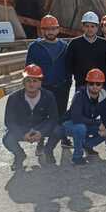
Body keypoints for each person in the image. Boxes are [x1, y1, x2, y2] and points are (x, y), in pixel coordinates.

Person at [3, 65, 64, 170]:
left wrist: (41, 132)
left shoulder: (49, 96)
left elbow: (53, 118)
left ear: (40, 83)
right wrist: (23, 133)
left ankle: (48, 151)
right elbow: (9, 121)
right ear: (23, 82)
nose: (31, 84)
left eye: (35, 81)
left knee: (59, 130)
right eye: (28, 81)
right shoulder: (13, 98)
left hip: (41, 127)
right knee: (7, 139)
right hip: (23, 127)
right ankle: (19, 155)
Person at [26, 14, 72, 148]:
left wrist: (67, 81)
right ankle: (40, 141)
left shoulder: (64, 46)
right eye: (47, 29)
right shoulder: (35, 47)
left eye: (53, 29)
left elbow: (69, 65)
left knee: (61, 113)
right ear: (42, 30)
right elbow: (29, 68)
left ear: (58, 30)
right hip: (43, 87)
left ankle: (63, 138)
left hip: (61, 86)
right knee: (41, 115)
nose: (50, 32)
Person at [63, 69, 106, 165]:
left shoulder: (104, 96)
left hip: (87, 124)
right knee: (80, 128)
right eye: (91, 83)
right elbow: (76, 118)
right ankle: (77, 157)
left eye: (98, 84)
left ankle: (87, 144)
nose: (94, 86)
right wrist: (98, 124)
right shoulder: (79, 95)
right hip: (70, 124)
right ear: (87, 83)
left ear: (102, 85)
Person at [65, 11, 106, 89]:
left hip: (100, 85)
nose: (89, 29)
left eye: (92, 26)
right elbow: (68, 64)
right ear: (83, 27)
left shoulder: (104, 43)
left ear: (97, 28)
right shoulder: (74, 43)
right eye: (87, 26)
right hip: (81, 84)